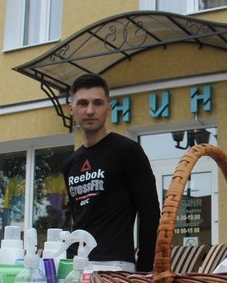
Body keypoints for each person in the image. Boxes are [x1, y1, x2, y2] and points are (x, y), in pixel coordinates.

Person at [62, 74, 160, 272]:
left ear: (109, 108)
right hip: (75, 266)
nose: (90, 110)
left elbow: (150, 213)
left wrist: (145, 270)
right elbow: (79, 217)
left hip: (115, 266)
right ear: (71, 109)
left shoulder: (127, 151)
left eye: (97, 103)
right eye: (83, 103)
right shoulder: (70, 163)